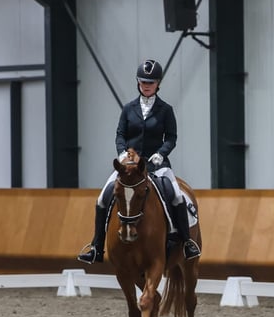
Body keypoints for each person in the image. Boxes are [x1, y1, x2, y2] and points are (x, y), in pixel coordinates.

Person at [77, 58, 201, 264]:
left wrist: (161, 152)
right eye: (143, 82)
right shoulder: (128, 109)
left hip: (157, 166)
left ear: (158, 84)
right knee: (102, 198)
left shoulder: (165, 110)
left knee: (176, 195)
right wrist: (122, 154)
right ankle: (96, 246)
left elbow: (171, 137)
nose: (146, 86)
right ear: (138, 82)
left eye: (150, 83)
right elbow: (120, 135)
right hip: (129, 167)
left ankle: (186, 242)